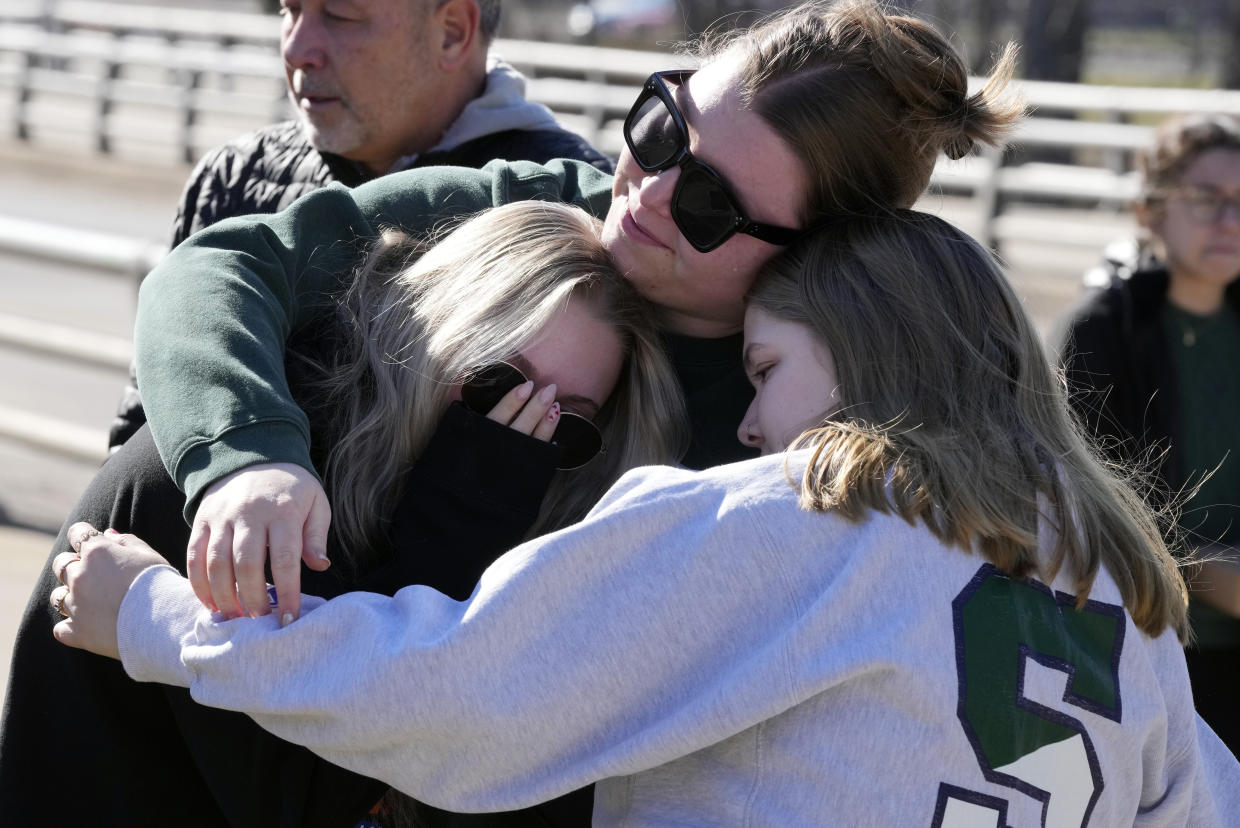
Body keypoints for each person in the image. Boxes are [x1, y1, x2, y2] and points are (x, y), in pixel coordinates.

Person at [4, 0, 1023, 822]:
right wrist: (248, 457)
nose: (647, 193)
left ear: (811, 253)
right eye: (659, 125)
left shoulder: (817, 410)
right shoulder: (544, 205)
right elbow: (225, 270)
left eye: (709, 203)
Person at [54, 210, 1240, 825]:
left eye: (769, 371)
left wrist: (160, 618)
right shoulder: (1116, 590)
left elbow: (458, 697)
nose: (749, 425)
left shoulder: (797, 517)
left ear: (870, 364)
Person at [0, 201, 685, 826]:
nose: (517, 443)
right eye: (496, 384)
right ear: (430, 336)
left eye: (564, 427)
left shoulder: (507, 506)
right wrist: (461, 515)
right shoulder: (256, 488)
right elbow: (315, 793)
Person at [107, 0, 615, 449]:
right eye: (290, 10)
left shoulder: (578, 210)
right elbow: (149, 423)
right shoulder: (237, 174)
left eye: (340, 15)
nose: (298, 48)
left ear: (453, 31)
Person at [1052, 113, 1240, 758]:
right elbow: (1086, 502)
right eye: (1206, 198)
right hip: (1151, 645)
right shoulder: (1103, 333)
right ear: (1149, 211)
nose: (1230, 220)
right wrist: (1204, 574)